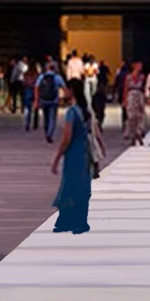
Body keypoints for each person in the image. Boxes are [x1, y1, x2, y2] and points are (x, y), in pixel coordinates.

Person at [51, 78, 96, 234]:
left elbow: (66, 138)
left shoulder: (71, 112)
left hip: (73, 153)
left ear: (71, 91)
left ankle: (67, 220)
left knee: (70, 185)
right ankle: (80, 221)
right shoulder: (85, 112)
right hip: (84, 152)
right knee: (82, 186)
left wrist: (56, 158)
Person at [37, 59, 63, 144]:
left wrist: (37, 99)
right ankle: (49, 134)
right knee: (52, 118)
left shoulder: (42, 77)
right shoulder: (57, 77)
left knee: (46, 118)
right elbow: (64, 87)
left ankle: (46, 132)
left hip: (44, 100)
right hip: (53, 100)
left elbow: (36, 87)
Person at [123, 62, 147, 145]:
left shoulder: (142, 77)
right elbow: (125, 88)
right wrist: (125, 99)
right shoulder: (128, 77)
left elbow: (144, 88)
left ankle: (139, 134)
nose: (140, 67)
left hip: (139, 95)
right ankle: (132, 136)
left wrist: (145, 98)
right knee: (131, 116)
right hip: (131, 96)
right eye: (138, 65)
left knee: (140, 116)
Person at [92, 60, 112, 130]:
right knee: (101, 111)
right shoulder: (105, 67)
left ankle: (97, 123)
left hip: (99, 84)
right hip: (104, 82)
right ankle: (99, 124)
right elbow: (109, 73)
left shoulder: (98, 68)